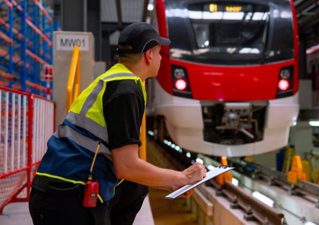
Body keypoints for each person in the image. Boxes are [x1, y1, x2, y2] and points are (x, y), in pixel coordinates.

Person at [29, 22, 206, 225]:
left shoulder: (116, 80)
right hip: (64, 196)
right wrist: (180, 178)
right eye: (158, 53)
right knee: (133, 181)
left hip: (60, 188)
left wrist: (169, 183)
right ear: (149, 55)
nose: (160, 59)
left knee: (135, 188)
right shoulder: (126, 90)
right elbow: (127, 167)